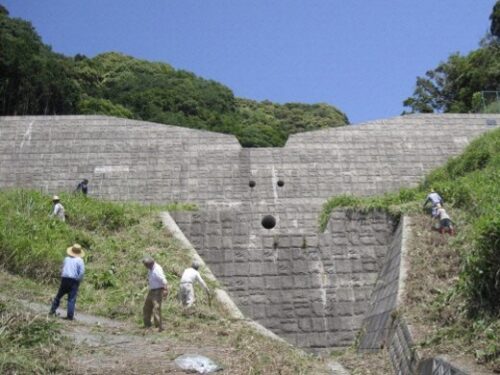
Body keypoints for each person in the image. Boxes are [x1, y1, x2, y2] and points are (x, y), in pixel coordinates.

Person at [49, 244, 85, 320]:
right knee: (71, 299)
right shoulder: (80, 260)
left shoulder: (66, 259)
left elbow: (63, 268)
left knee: (58, 296)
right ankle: (70, 316)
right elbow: (81, 272)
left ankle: (52, 311)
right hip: (73, 280)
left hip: (65, 279)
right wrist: (79, 279)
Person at [142, 256, 168, 331]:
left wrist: (166, 289)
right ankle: (147, 325)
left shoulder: (157, 270)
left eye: (146, 265)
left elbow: (164, 280)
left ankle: (158, 327)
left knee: (156, 309)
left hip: (158, 291)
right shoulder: (150, 268)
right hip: (152, 290)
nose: (145, 267)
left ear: (150, 264)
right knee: (146, 307)